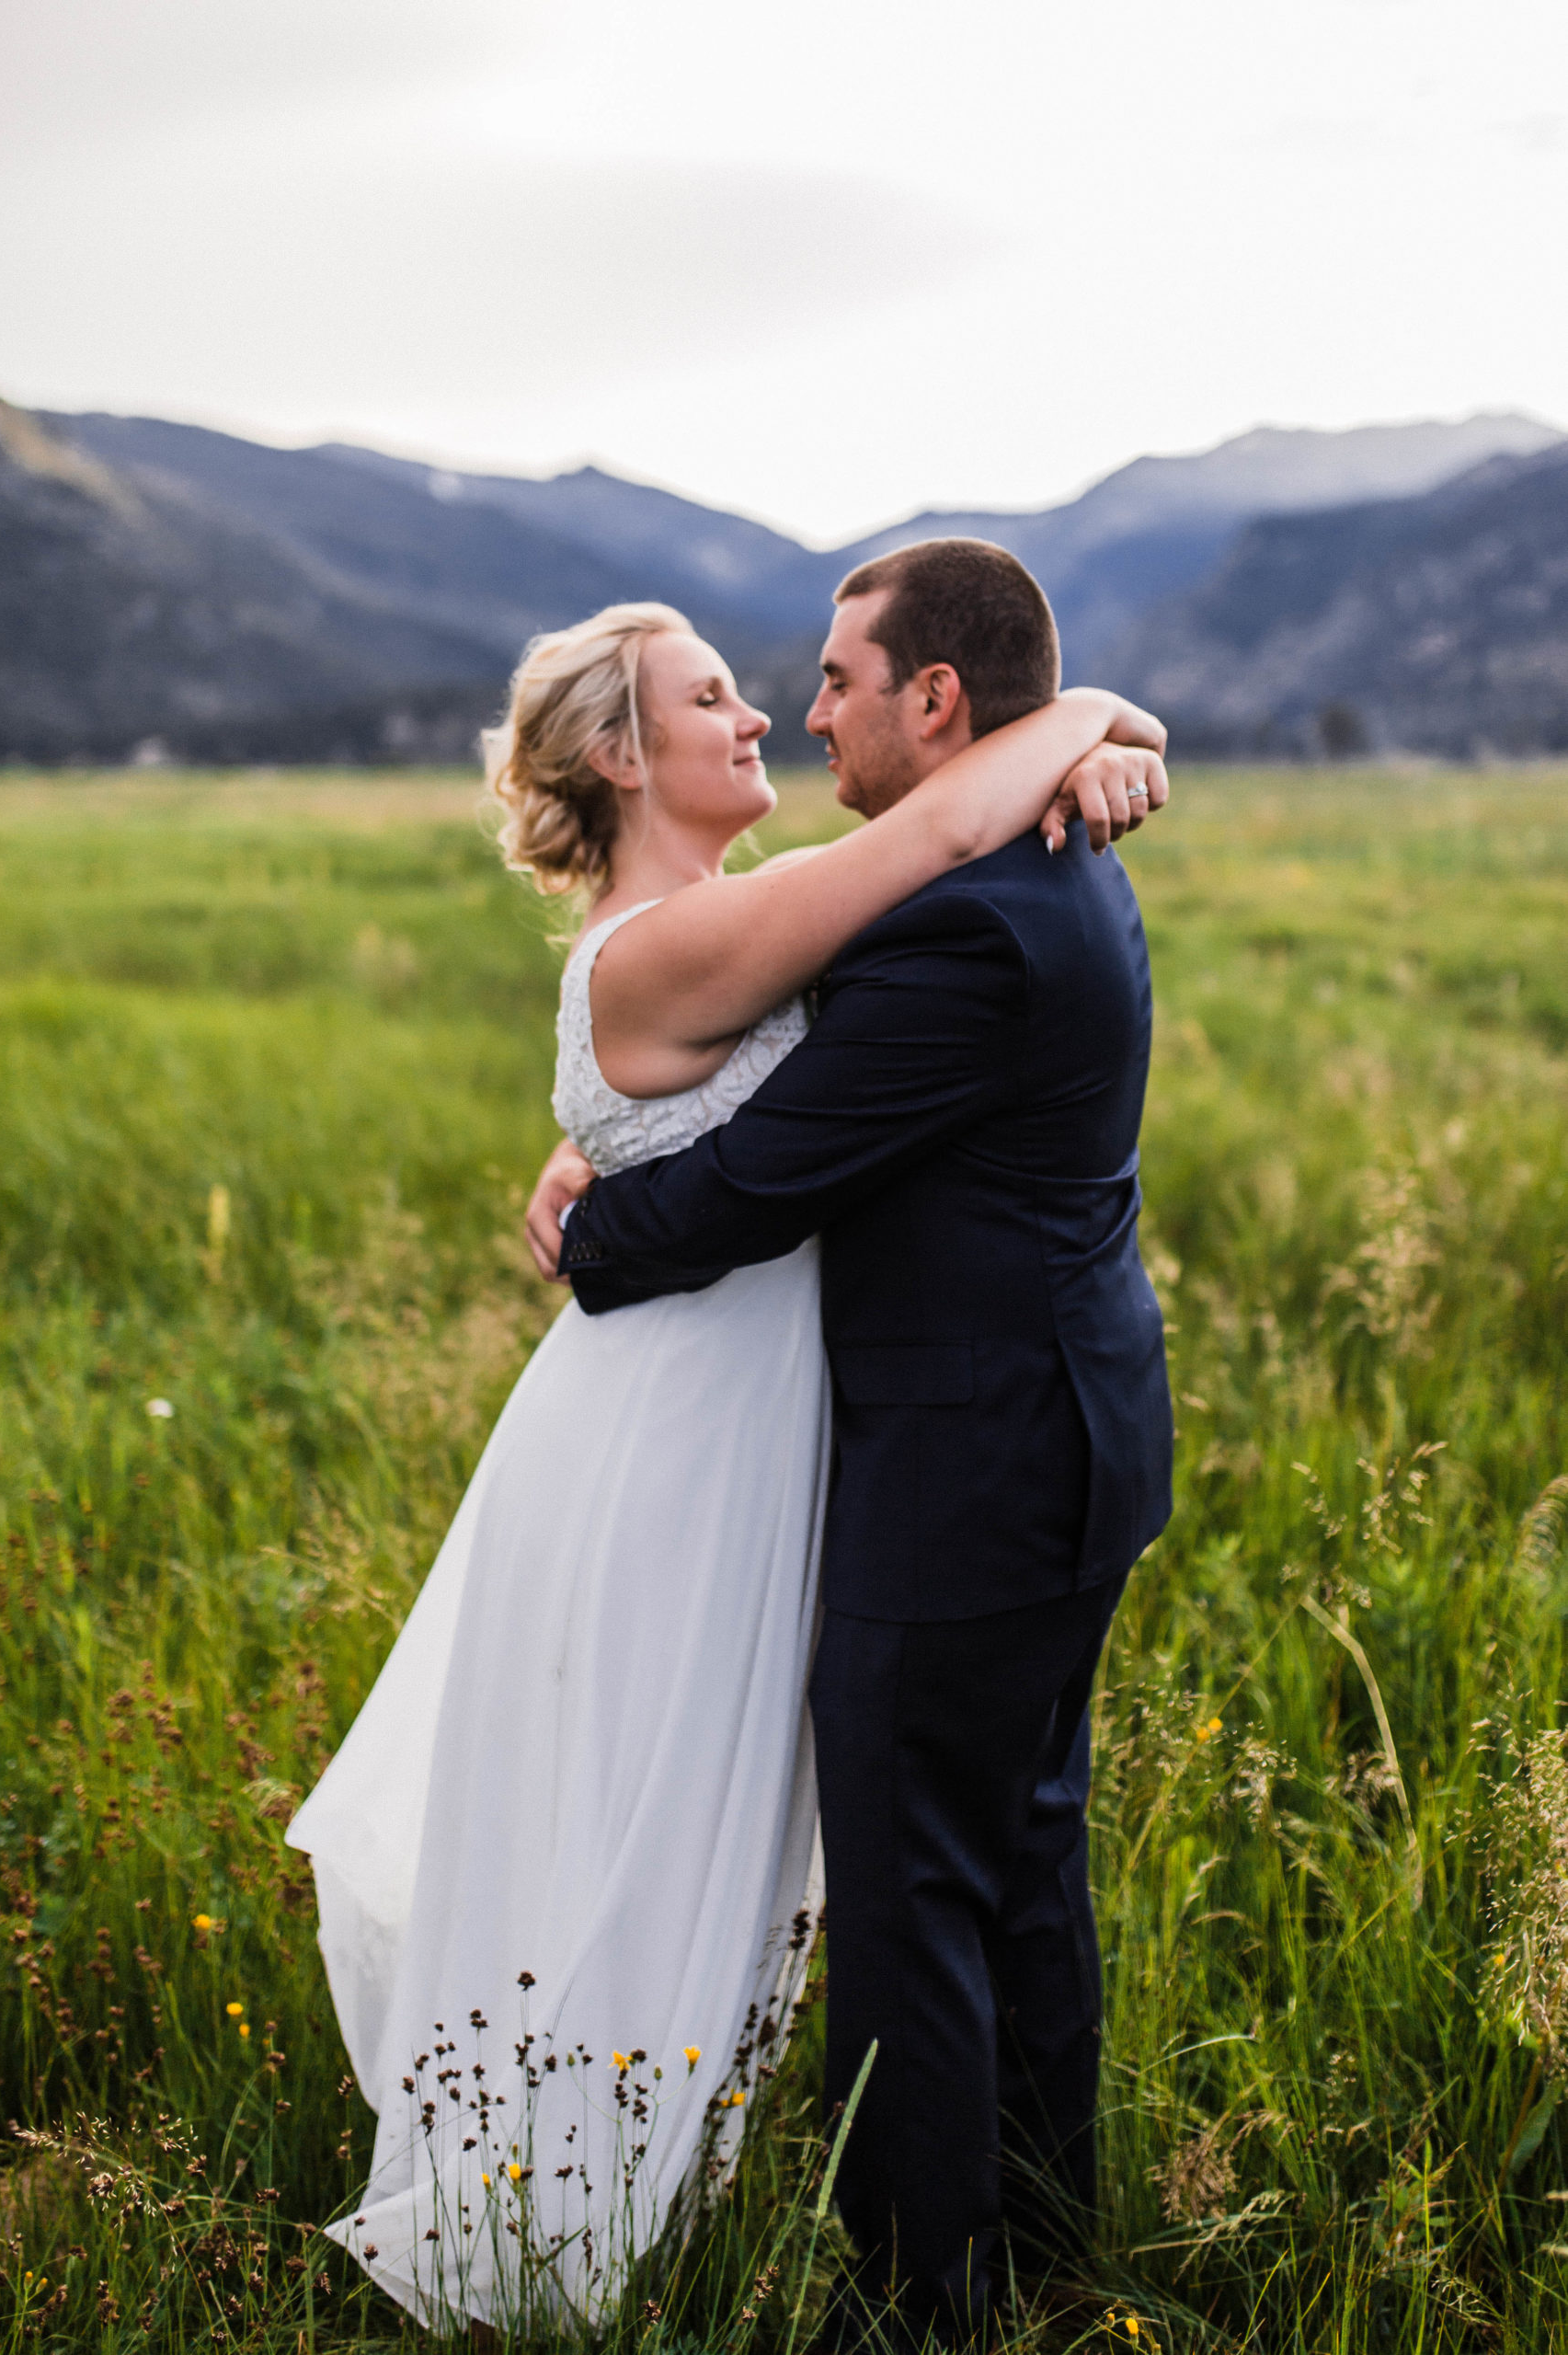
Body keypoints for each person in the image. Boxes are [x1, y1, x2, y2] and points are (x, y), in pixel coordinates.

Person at [285, 580, 1168, 2330]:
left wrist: (1094, 725)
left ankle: (941, 2278)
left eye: (815, 684)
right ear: (621, 754)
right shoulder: (757, 921)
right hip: (685, 1438)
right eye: (719, 696)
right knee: (674, 1815)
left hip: (869, 1434)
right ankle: (597, 2184)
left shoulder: (821, 907)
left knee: (897, 1858)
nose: (776, 712)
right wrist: (1092, 723)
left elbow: (758, 1113)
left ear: (927, 693)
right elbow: (918, 856)